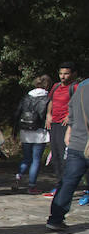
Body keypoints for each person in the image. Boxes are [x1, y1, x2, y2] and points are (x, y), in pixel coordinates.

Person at [46, 77, 89, 231]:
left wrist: (70, 131)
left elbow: (71, 110)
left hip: (77, 143)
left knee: (68, 182)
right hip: (81, 141)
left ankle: (55, 219)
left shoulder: (82, 87)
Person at [13, 75, 51, 194]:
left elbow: (17, 113)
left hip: (25, 131)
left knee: (26, 158)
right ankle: (32, 185)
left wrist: (14, 131)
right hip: (40, 132)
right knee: (36, 160)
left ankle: (18, 177)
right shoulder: (48, 98)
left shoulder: (26, 97)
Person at [45, 62, 79, 196]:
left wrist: (70, 116)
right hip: (54, 124)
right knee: (56, 155)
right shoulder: (56, 86)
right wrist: (48, 114)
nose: (63, 77)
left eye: (66, 73)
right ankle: (59, 183)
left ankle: (67, 185)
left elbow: (79, 103)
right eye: (61, 73)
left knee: (65, 156)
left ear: (73, 74)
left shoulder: (75, 87)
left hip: (67, 126)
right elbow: (51, 101)